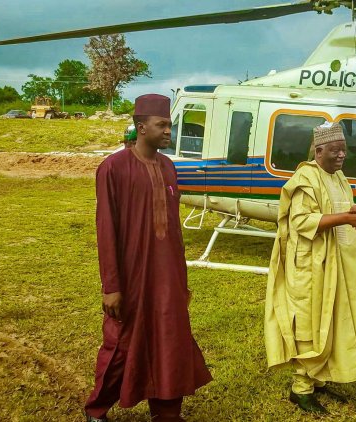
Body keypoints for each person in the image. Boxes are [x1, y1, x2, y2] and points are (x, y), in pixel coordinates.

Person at [84, 94, 212, 422]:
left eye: (169, 124)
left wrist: (180, 281)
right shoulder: (113, 168)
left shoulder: (169, 168)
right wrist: (111, 285)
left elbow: (172, 231)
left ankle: (167, 413)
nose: (169, 130)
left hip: (167, 277)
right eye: (162, 125)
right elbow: (106, 230)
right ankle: (96, 411)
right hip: (132, 277)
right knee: (122, 345)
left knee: (171, 340)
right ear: (141, 127)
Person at [264, 122, 356, 414]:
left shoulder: (339, 177)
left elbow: (338, 209)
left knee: (334, 318)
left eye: (344, 149)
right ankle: (300, 390)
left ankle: (318, 379)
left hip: (337, 261)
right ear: (318, 150)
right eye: (335, 150)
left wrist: (355, 213)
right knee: (311, 323)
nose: (341, 155)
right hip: (311, 265)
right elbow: (302, 222)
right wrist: (345, 218)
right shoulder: (305, 179)